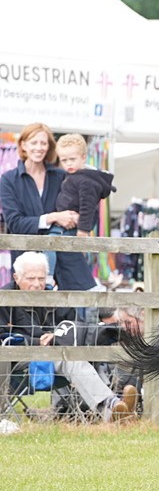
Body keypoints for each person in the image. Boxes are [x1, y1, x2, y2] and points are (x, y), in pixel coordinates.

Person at [0, 252, 136, 422]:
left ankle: (115, 410)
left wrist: (56, 335)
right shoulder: (4, 298)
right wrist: (36, 342)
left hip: (56, 351)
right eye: (31, 278)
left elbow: (72, 324)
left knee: (81, 353)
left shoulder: (54, 297)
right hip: (19, 358)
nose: (37, 284)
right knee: (70, 359)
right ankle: (113, 405)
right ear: (16, 277)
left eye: (41, 278)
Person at [0, 123, 95, 291]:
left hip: (65, 261)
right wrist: (54, 217)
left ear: (49, 146)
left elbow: (87, 208)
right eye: (34, 142)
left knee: (76, 305)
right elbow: (15, 223)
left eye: (43, 143)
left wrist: (78, 219)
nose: (39, 147)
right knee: (29, 307)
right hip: (28, 264)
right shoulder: (8, 180)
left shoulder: (61, 175)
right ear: (23, 145)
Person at [44, 133, 116, 277]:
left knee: (50, 245)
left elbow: (88, 206)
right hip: (65, 223)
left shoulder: (86, 180)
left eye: (72, 159)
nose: (68, 164)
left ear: (83, 157)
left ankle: (48, 276)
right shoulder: (72, 176)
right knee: (54, 249)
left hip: (74, 227)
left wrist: (83, 231)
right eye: (64, 160)